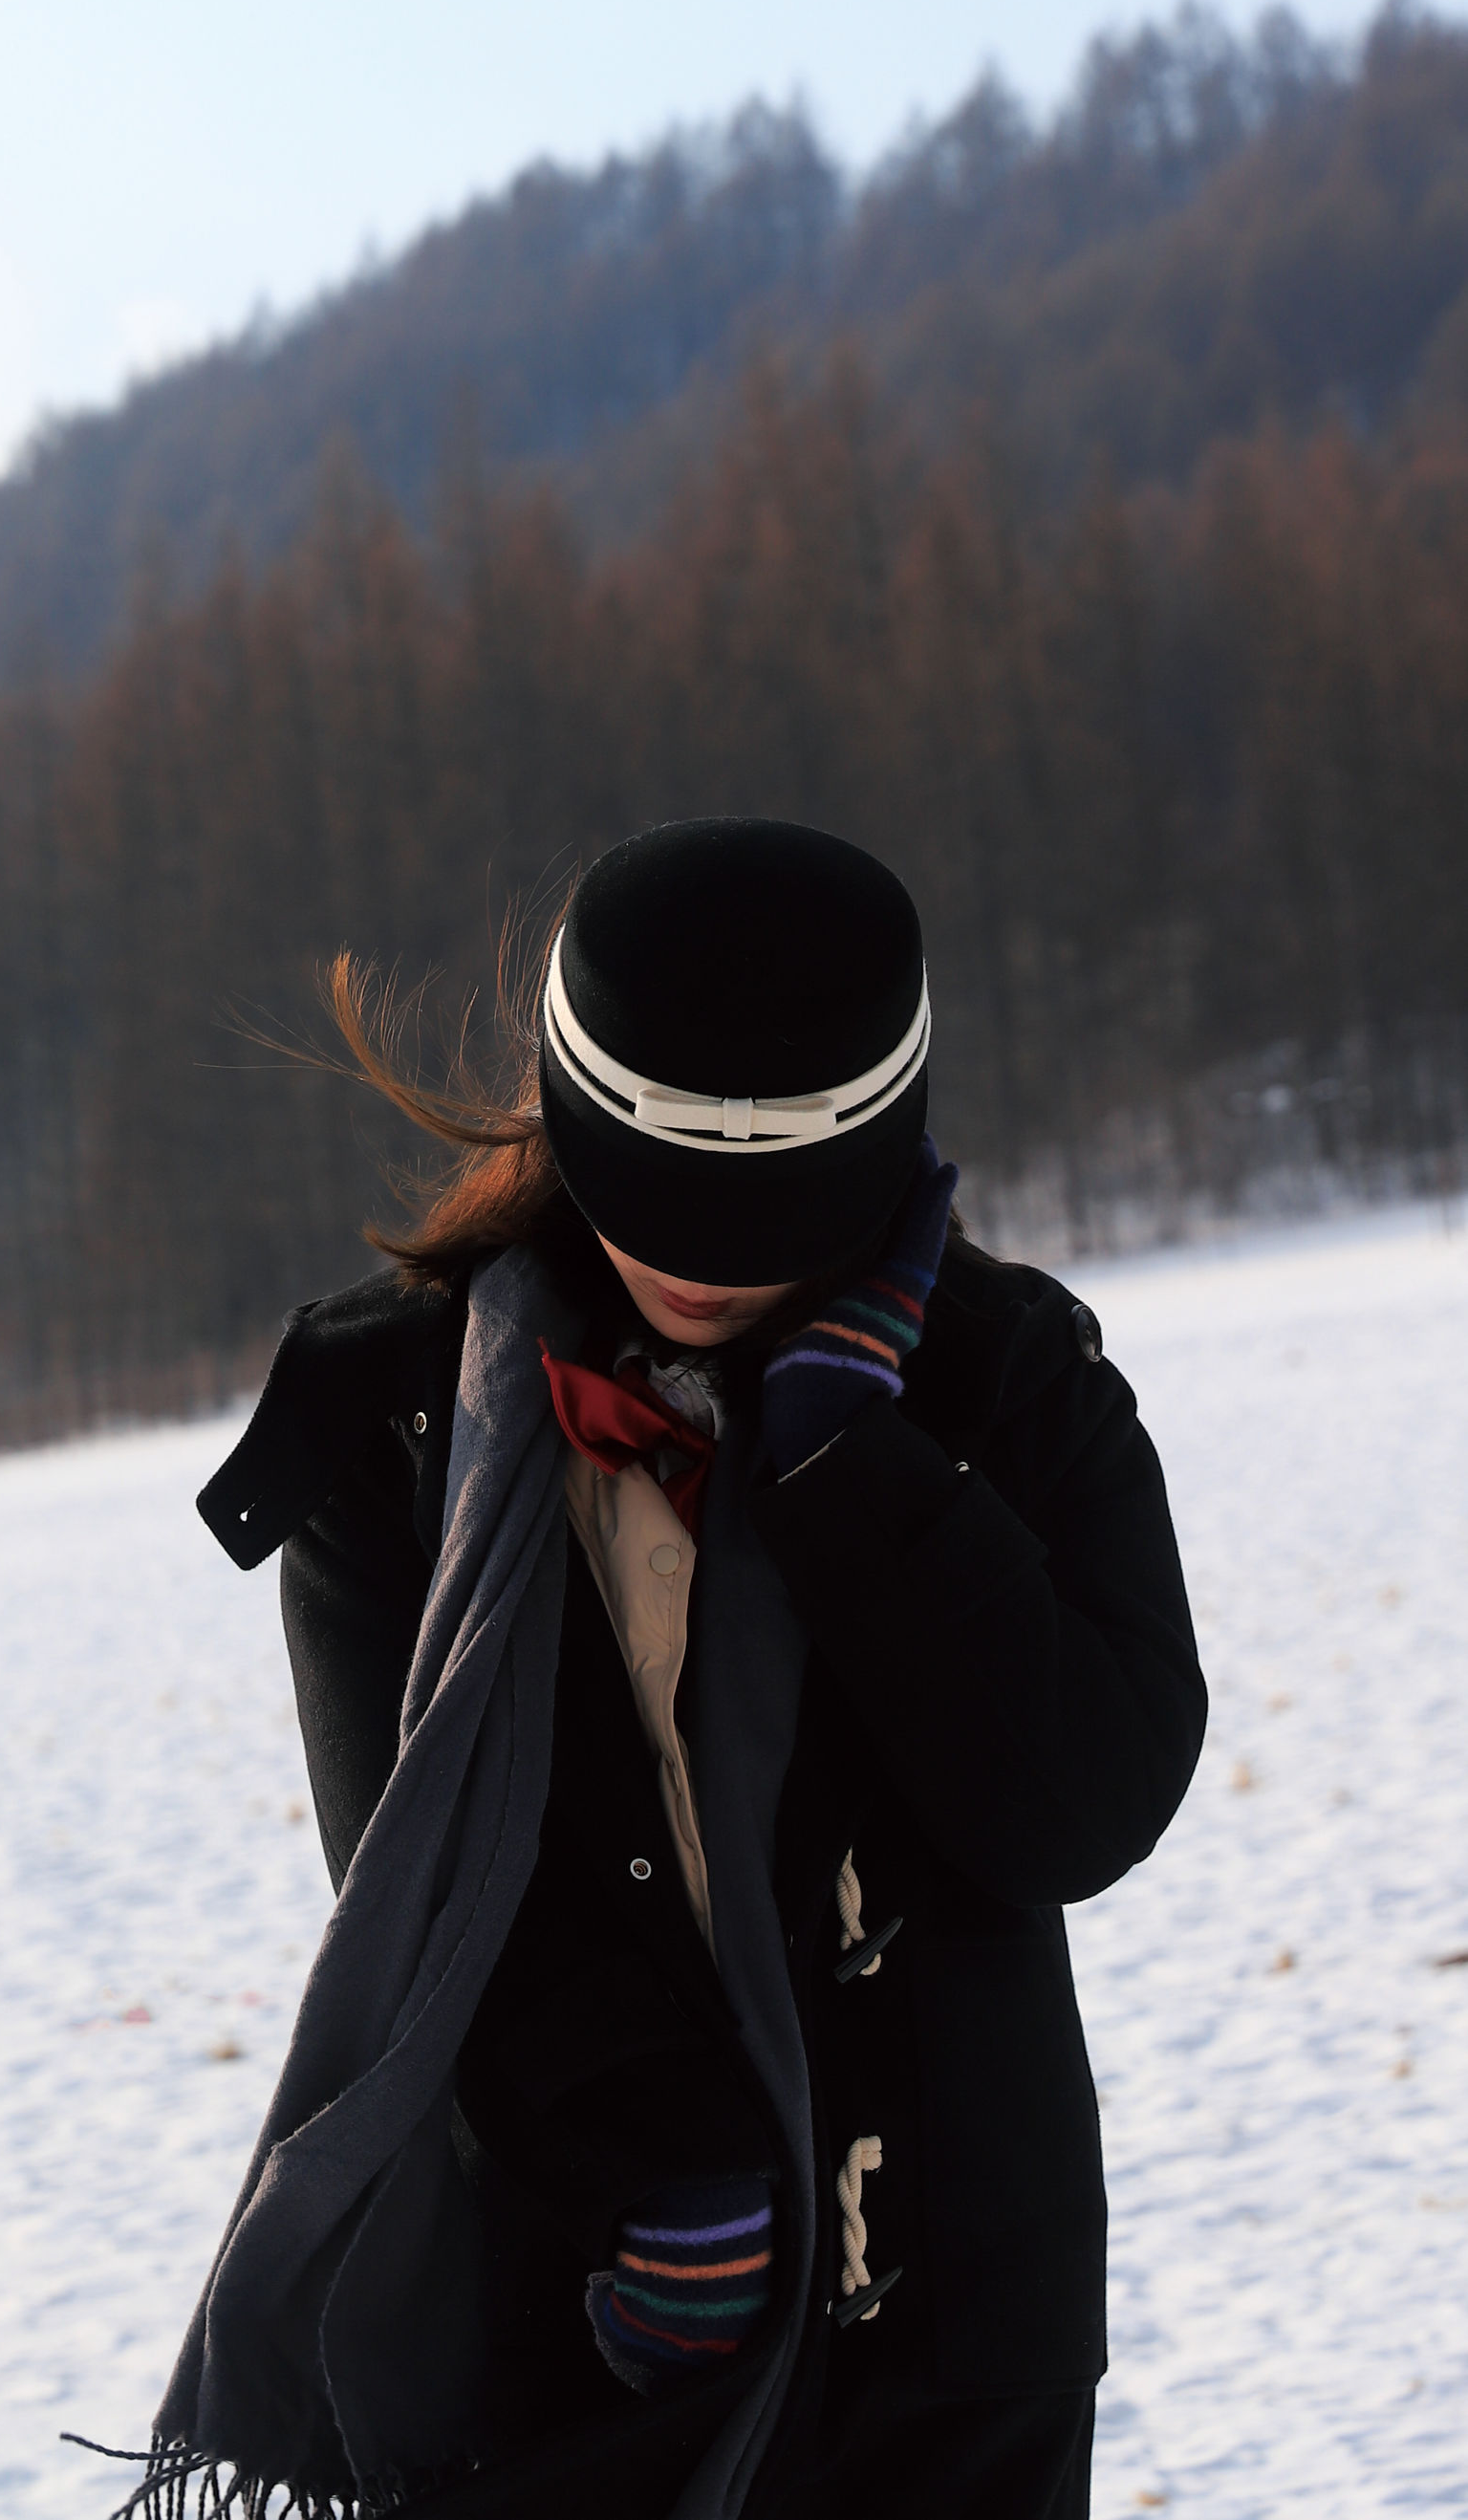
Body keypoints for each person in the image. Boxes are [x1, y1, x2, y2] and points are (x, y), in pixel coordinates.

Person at [114, 817, 1205, 2520]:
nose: (702, 1257)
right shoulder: (398, 1423)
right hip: (576, 2327)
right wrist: (655, 2158)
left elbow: (1082, 1800)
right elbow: (420, 1890)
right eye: (665, 1197)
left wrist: (862, 1475)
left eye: (767, 1211)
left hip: (950, 2345)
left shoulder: (1005, 1380)